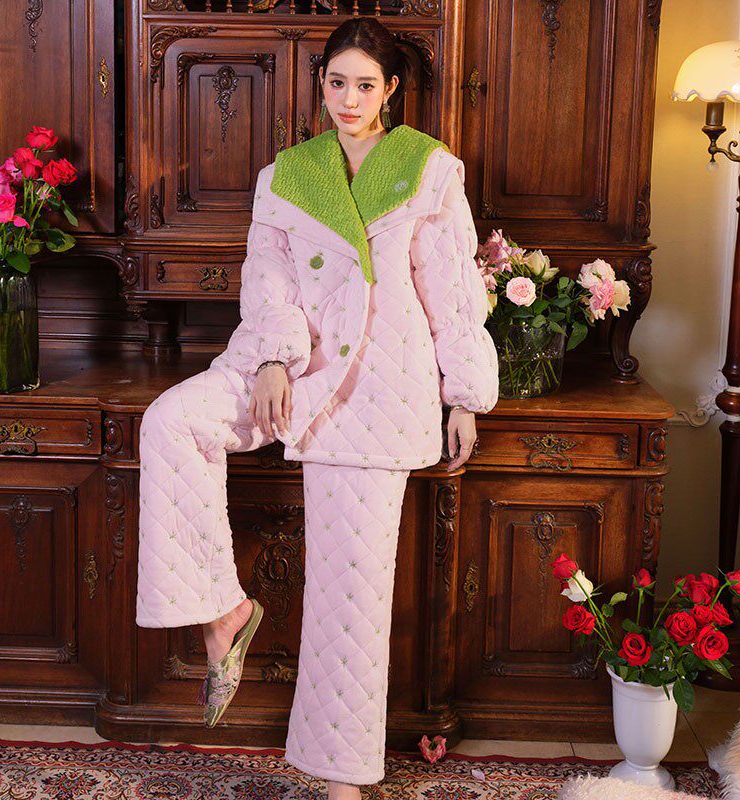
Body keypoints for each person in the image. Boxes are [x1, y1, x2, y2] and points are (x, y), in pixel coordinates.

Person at [135, 15, 499, 800]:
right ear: (321, 84)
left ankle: (342, 779)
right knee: (169, 422)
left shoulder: (429, 170)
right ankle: (223, 610)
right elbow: (268, 280)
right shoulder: (287, 175)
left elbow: (452, 291)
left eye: (365, 85)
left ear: (391, 89)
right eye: (337, 83)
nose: (349, 99)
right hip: (285, 363)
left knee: (349, 593)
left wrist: (463, 396)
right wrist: (272, 357)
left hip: (375, 386)